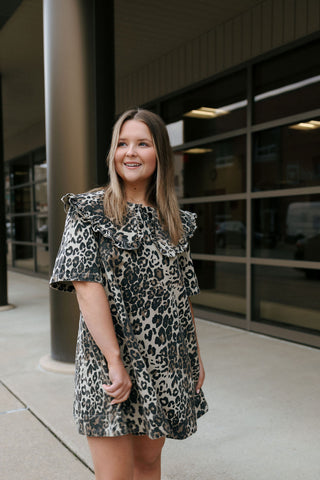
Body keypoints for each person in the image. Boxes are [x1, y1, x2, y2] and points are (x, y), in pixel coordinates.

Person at [50, 108, 208, 480]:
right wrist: (115, 359)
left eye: (142, 143)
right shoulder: (89, 210)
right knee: (116, 475)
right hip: (108, 362)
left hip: (164, 360)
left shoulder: (175, 222)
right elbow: (86, 285)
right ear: (113, 153)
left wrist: (194, 355)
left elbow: (181, 295)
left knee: (149, 464)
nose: (130, 152)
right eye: (122, 143)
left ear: (160, 155)